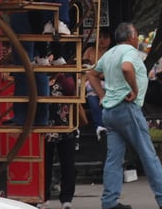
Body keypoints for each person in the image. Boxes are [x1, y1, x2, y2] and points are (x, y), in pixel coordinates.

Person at [86, 22, 162, 209]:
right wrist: (134, 88)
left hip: (109, 111)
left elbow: (91, 74)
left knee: (114, 159)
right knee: (148, 154)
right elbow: (126, 68)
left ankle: (109, 202)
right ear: (131, 37)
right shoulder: (129, 51)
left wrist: (102, 95)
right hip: (127, 109)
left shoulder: (109, 54)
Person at [43, 72, 77, 209]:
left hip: (65, 126)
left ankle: (67, 199)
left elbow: (70, 89)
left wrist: (61, 75)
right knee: (45, 164)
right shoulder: (41, 76)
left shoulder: (65, 76)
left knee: (68, 164)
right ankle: (43, 197)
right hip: (45, 127)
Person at [84, 28, 114, 139]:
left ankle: (108, 125)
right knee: (92, 93)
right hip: (91, 83)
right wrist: (96, 75)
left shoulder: (113, 53)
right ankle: (99, 126)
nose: (101, 39)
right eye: (99, 36)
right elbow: (85, 70)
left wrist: (99, 74)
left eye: (105, 37)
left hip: (109, 83)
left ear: (110, 40)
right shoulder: (90, 51)